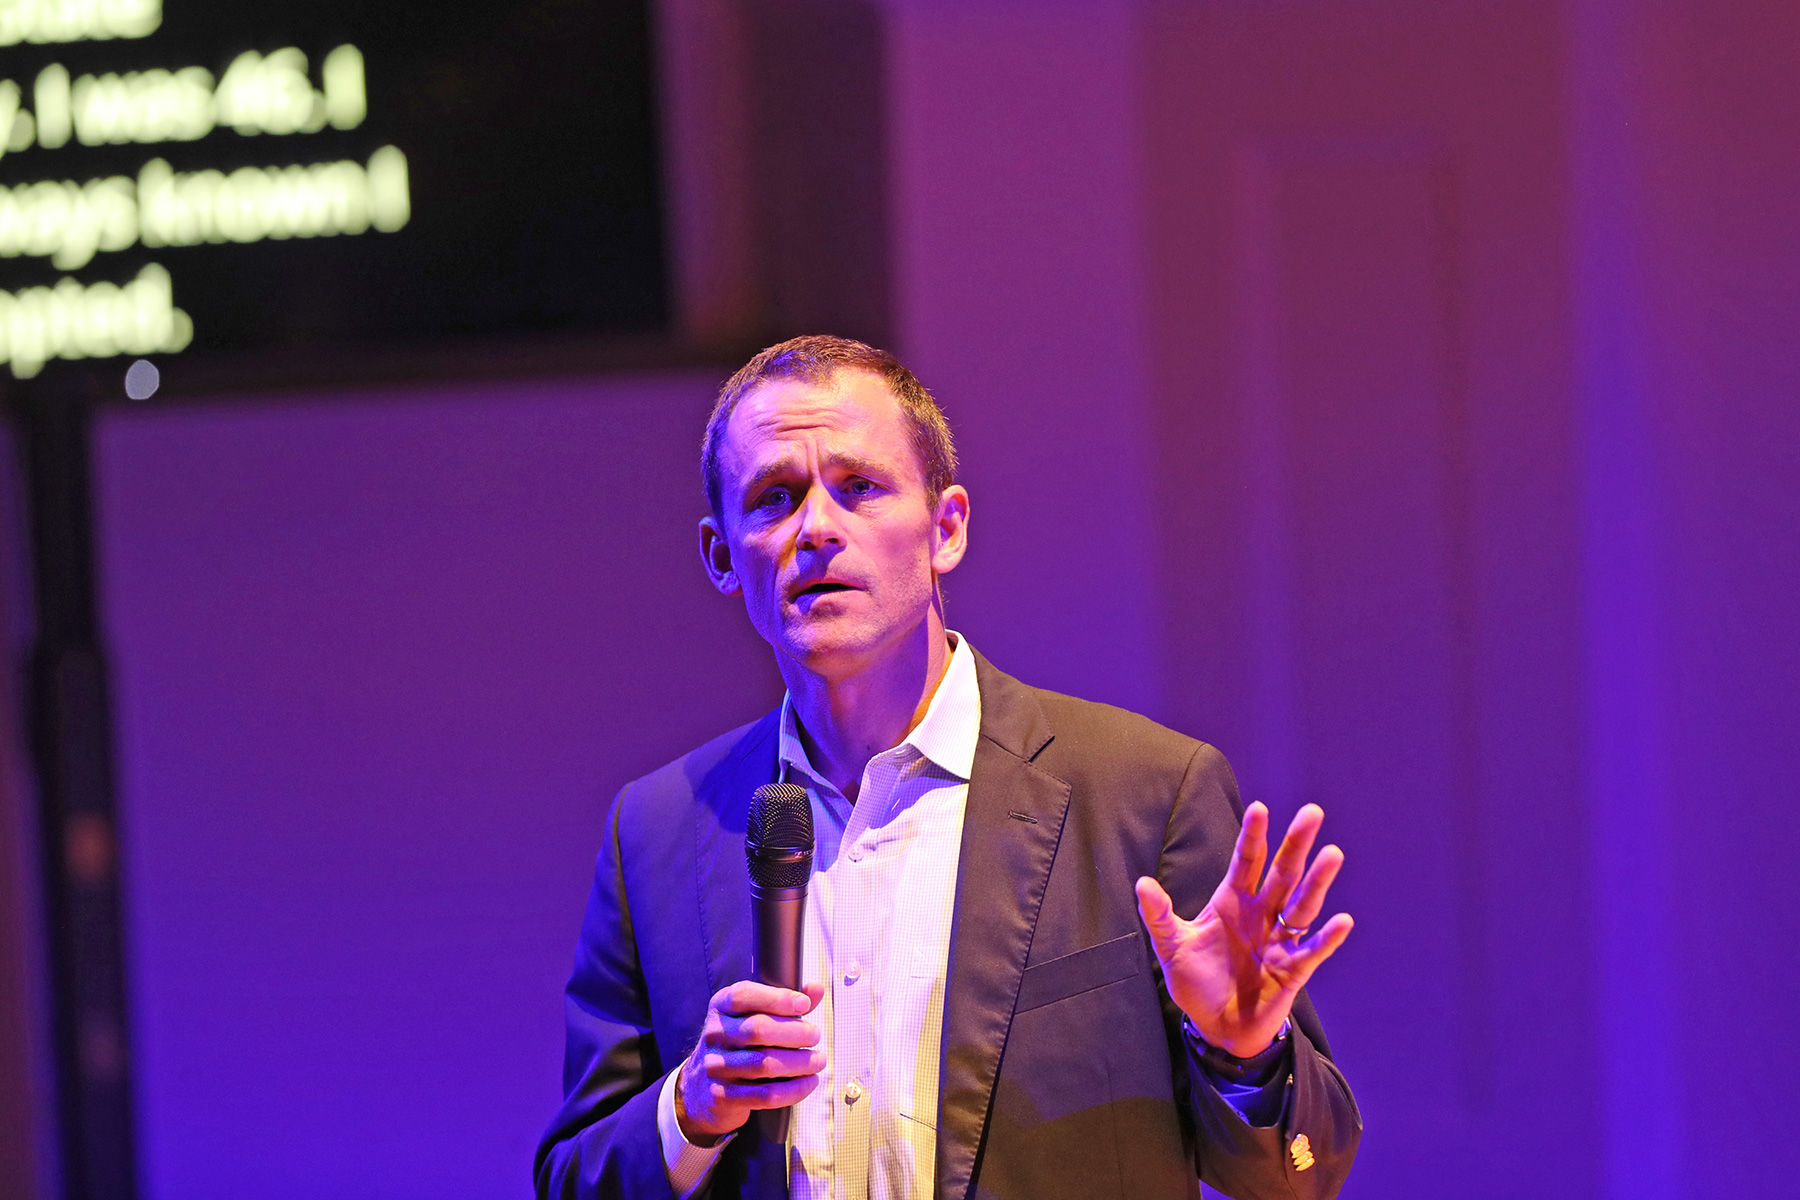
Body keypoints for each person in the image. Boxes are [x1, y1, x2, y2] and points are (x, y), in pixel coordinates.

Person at [534, 336, 1361, 1200]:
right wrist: (692, 1107)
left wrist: (1242, 1053)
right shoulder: (659, 829)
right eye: (775, 498)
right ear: (721, 556)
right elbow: (572, 1179)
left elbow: (1300, 1176)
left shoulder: (1144, 793)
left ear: (947, 527)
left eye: (859, 487)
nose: (816, 528)